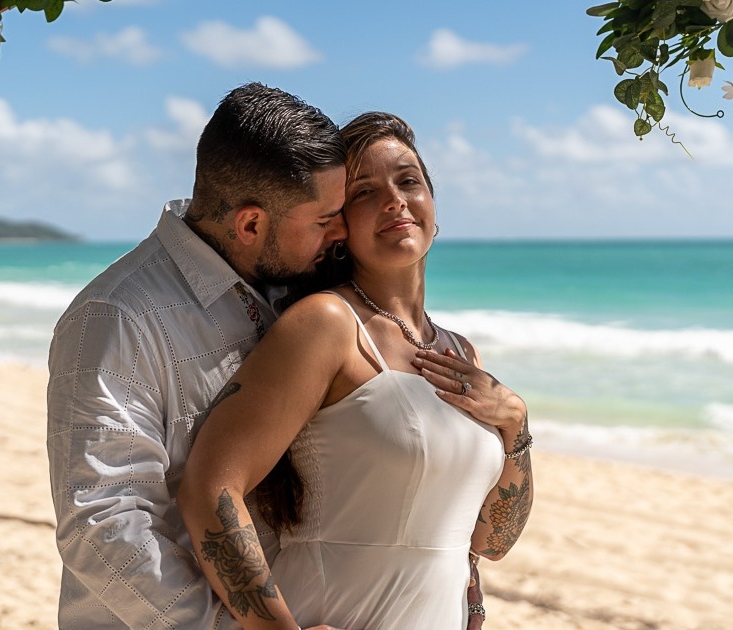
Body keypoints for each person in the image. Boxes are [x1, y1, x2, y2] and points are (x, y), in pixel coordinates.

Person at [178, 112, 534, 629]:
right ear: (339, 225)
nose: (395, 200)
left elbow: (491, 542)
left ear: (433, 203)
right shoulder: (326, 325)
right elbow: (210, 486)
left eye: (408, 181)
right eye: (365, 191)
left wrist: (517, 426)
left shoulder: (462, 353)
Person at [46, 82, 349, 629]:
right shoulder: (117, 315)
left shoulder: (296, 297)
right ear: (251, 224)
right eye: (326, 220)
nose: (341, 232)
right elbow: (102, 521)